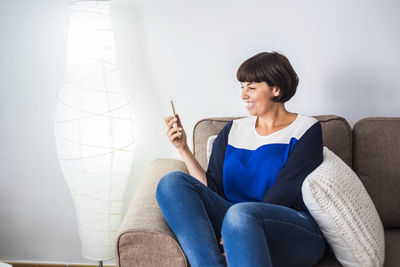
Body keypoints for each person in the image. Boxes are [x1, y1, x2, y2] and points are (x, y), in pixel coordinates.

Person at [156, 51, 327, 267]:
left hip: (288, 228)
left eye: (252, 87)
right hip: (233, 219)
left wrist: (234, 233)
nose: (243, 95)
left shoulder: (306, 129)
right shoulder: (232, 130)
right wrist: (183, 149)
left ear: (276, 89)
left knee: (240, 214)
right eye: (242, 87)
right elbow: (213, 190)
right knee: (171, 182)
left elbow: (285, 194)